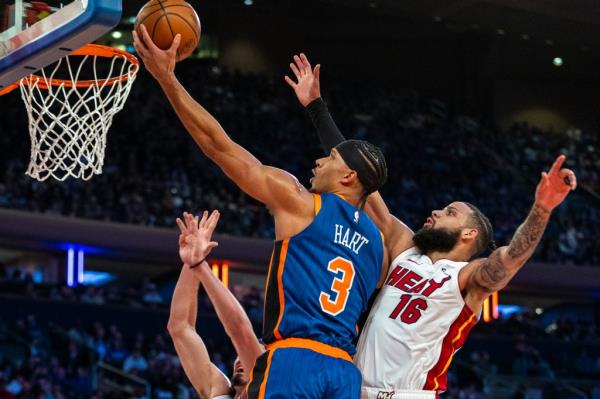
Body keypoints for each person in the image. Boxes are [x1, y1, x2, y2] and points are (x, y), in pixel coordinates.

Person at [285, 53, 577, 399]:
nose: (436, 212)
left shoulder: (468, 278)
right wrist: (316, 107)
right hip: (352, 388)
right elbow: (359, 176)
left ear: (469, 234)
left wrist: (542, 209)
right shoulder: (406, 250)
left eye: (450, 212)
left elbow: (511, 258)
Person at [133, 29, 388, 399]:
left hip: (295, 358)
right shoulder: (378, 245)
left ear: (349, 176)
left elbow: (217, 147)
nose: (319, 159)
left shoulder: (300, 201)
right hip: (346, 372)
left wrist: (167, 79)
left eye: (330, 157)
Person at [169, 210, 264, 399]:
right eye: (238, 355)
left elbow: (241, 332)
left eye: (249, 352)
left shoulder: (269, 387)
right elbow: (180, 328)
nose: (238, 360)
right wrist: (190, 262)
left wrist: (200, 265)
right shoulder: (219, 390)